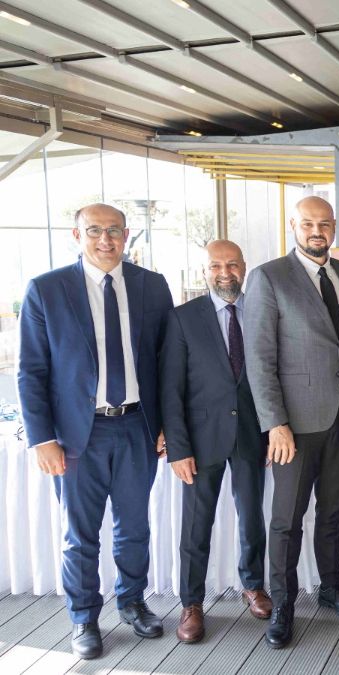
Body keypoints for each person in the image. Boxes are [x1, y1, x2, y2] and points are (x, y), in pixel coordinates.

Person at [18, 203, 173, 659]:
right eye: (94, 231)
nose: (105, 239)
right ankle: (84, 618)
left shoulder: (152, 285)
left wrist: (168, 424)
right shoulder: (46, 289)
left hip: (137, 427)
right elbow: (31, 371)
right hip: (75, 437)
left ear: (126, 235)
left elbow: (168, 362)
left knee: (134, 527)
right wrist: (42, 438)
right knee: (80, 535)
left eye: (114, 230)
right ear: (76, 234)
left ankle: (132, 602)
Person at [244, 196, 339, 649]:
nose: (316, 231)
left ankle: (330, 587)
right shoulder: (268, 276)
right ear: (293, 225)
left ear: (334, 227)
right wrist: (275, 424)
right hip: (294, 427)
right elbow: (259, 359)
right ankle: (283, 604)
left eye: (324, 223)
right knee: (287, 520)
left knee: (333, 510)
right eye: (307, 224)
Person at [159, 240, 272, 643]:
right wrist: (178, 448)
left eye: (233, 265)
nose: (225, 273)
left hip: (252, 434)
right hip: (200, 439)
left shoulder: (262, 310)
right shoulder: (183, 317)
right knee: (196, 525)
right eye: (216, 266)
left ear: (245, 266)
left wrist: (275, 428)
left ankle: (253, 585)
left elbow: (274, 374)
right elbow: (170, 389)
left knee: (252, 517)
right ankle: (191, 603)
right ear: (205, 270)